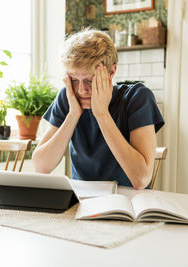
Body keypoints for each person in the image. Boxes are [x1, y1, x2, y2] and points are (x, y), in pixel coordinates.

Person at [32, 29, 164, 189]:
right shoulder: (68, 97)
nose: (81, 89)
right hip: (83, 202)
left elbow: (141, 179)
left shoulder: (137, 97)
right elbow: (40, 166)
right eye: (74, 79)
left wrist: (102, 115)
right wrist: (73, 115)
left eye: (89, 80)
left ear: (112, 71)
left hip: (128, 203)